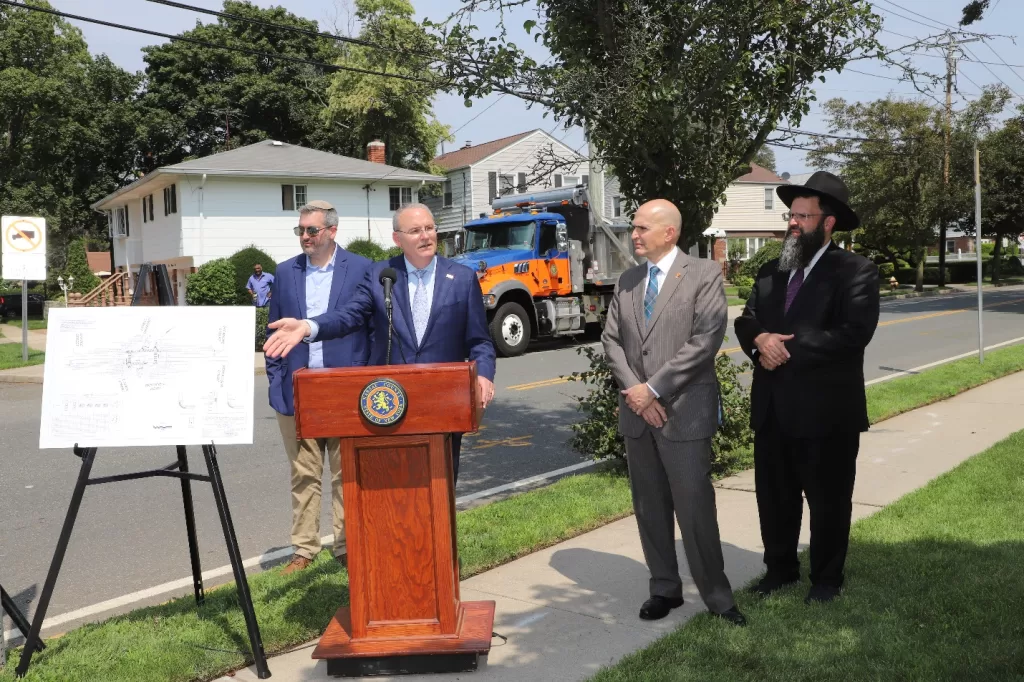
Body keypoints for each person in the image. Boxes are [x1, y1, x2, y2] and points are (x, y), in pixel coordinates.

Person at [263, 203, 496, 484]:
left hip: (443, 400)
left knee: (441, 485)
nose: (425, 236)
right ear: (398, 239)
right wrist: (308, 326)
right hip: (391, 402)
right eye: (415, 231)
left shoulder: (461, 278)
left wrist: (483, 374)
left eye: (429, 228)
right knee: (393, 489)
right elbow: (349, 315)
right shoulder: (381, 275)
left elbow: (480, 340)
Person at [734, 171, 880, 604]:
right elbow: (747, 319)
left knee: (829, 501)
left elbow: (854, 333)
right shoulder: (770, 269)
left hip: (826, 411)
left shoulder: (855, 270)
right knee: (774, 498)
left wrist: (785, 346)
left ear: (828, 222)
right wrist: (759, 340)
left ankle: (826, 580)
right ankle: (779, 570)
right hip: (773, 407)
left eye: (803, 215)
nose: (793, 223)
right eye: (791, 214)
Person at [601, 199, 746, 626]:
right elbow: (611, 340)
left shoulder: (703, 275)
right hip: (638, 415)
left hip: (683, 413)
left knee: (695, 507)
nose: (635, 235)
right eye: (634, 228)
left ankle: (718, 598)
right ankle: (664, 588)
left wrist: (653, 389)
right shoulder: (627, 281)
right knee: (649, 507)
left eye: (643, 228)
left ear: (670, 233)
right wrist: (635, 391)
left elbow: (705, 341)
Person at [266, 200, 373, 575]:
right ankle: (304, 549)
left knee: (348, 473)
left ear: (332, 231)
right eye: (301, 230)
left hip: (344, 388)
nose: (305, 237)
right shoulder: (285, 272)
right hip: (298, 389)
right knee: (304, 472)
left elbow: (365, 323)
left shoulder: (361, 268)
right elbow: (273, 331)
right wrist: (277, 380)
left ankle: (346, 546)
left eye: (312, 230)